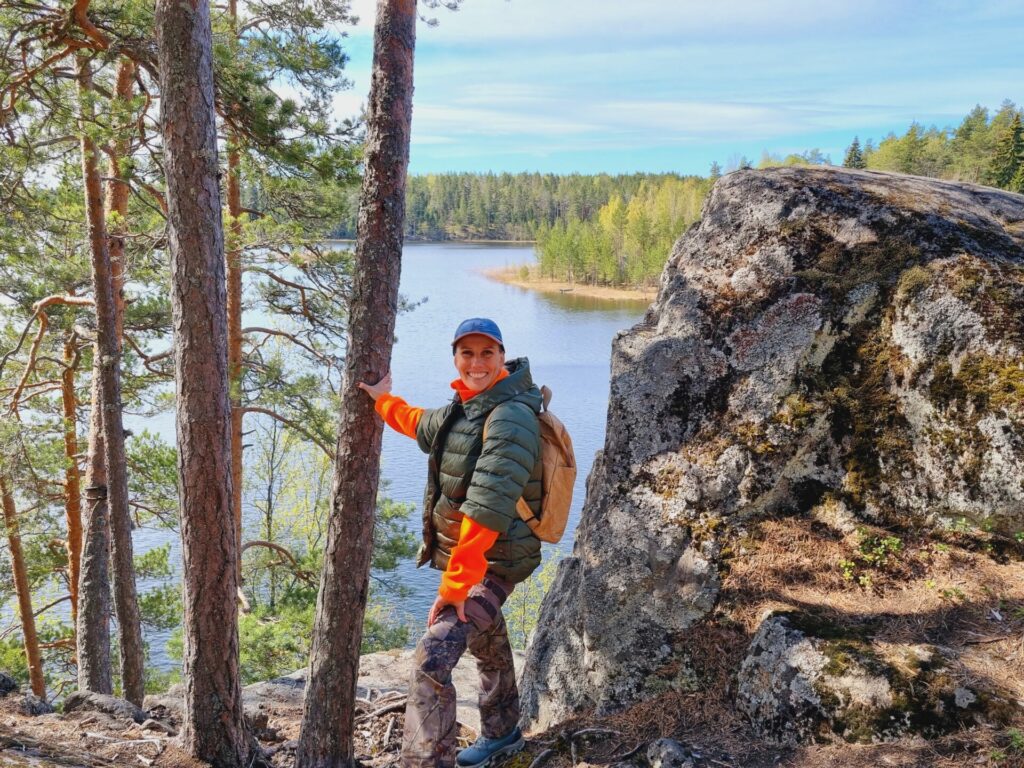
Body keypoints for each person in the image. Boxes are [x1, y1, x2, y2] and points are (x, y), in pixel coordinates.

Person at [358, 317, 543, 768]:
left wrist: (454, 588)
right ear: (456, 357)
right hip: (481, 561)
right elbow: (421, 424)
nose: (476, 363)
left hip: (496, 561)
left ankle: (425, 762)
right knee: (487, 640)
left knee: (433, 654)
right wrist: (385, 401)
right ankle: (503, 734)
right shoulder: (466, 407)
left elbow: (487, 508)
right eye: (467, 353)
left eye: (486, 353)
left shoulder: (512, 417)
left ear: (502, 357)